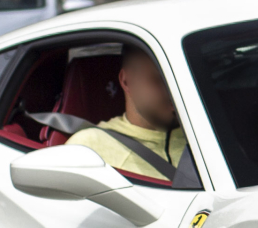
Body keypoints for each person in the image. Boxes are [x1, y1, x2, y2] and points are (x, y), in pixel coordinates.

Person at [74, 43, 188, 182]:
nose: (173, 90)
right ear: (126, 81)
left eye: (178, 80)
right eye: (159, 79)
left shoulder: (206, 132)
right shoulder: (90, 147)